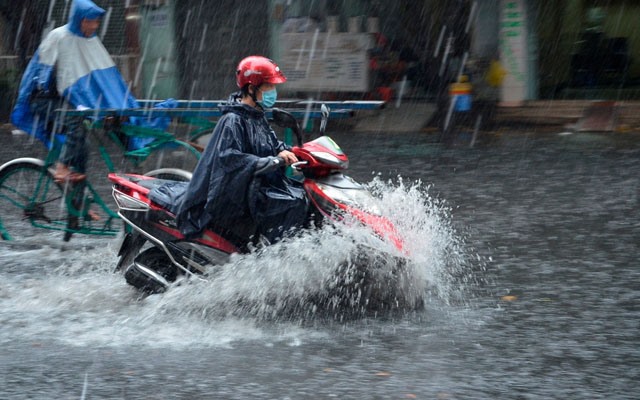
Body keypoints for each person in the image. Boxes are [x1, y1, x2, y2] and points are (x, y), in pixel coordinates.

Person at [10, 0, 169, 183]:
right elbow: (57, 77)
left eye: (96, 22)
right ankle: (62, 169)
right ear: (79, 20)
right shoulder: (59, 37)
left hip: (68, 99)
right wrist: (84, 100)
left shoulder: (90, 40)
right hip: (43, 98)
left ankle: (79, 205)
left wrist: (115, 102)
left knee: (83, 146)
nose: (94, 26)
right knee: (75, 121)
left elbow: (106, 77)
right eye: (90, 21)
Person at [176, 56, 308, 244]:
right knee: (291, 203)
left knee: (302, 195)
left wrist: (297, 152)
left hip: (255, 184)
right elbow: (231, 158)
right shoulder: (234, 120)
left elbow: (271, 144)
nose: (273, 92)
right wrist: (271, 161)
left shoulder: (256, 116)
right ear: (252, 89)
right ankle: (274, 256)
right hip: (236, 192)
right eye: (269, 87)